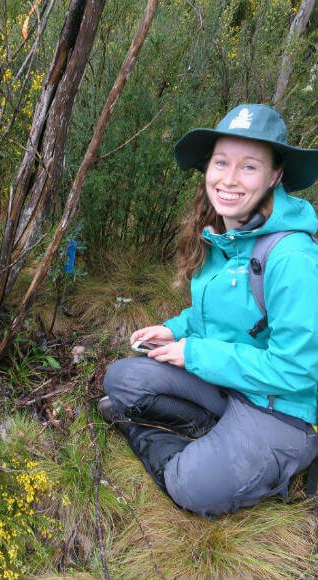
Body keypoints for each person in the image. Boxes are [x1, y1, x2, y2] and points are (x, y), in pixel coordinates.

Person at [100, 104, 318, 518]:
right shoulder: (227, 235)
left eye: (249, 167)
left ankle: (268, 466)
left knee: (193, 486)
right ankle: (218, 441)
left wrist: (194, 354)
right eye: (221, 162)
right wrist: (172, 330)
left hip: (282, 409)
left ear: (275, 175)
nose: (229, 179)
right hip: (230, 384)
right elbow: (218, 319)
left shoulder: (293, 257)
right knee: (123, 379)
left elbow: (298, 371)